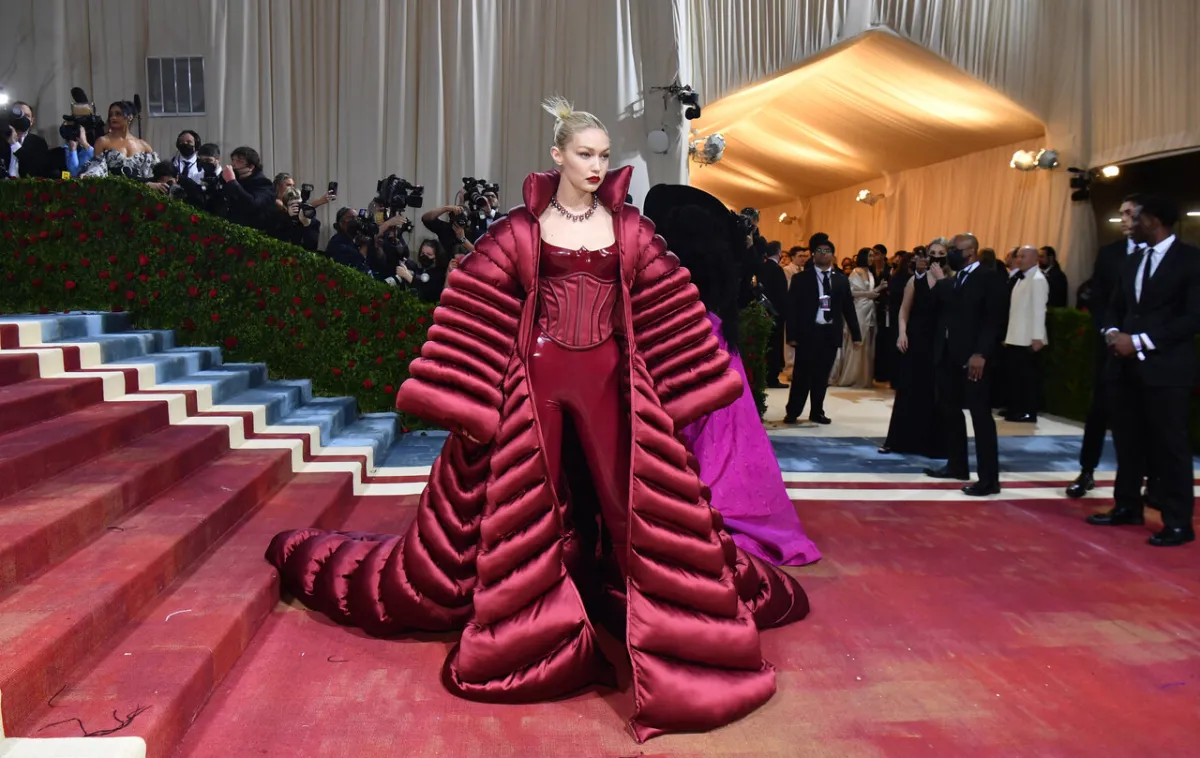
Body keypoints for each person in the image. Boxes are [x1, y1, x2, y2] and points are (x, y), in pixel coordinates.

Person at [266, 96, 808, 741]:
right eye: (585, 154)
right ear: (557, 156)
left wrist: (679, 383)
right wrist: (467, 398)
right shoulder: (519, 230)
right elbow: (474, 297)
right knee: (531, 503)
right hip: (537, 378)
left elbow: (669, 300)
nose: (596, 166)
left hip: (612, 382)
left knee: (633, 502)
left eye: (604, 156)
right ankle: (539, 643)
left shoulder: (630, 228)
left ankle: (665, 636)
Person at [643, 184, 821, 567]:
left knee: (695, 436)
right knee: (725, 436)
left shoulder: (668, 274)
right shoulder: (718, 272)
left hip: (688, 346)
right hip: (716, 342)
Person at [1087, 194, 1200, 547]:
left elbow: (1192, 318)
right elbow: (1113, 307)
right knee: (1127, 440)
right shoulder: (1132, 262)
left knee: (1170, 446)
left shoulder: (1191, 260)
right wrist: (1111, 333)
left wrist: (1139, 342)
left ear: (1154, 220)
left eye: (1136, 218)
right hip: (1124, 369)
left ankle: (1178, 521)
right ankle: (1127, 506)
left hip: (1166, 370)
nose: (1130, 224)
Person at [1067, 210, 1142, 497]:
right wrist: (1109, 334)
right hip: (1109, 347)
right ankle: (1087, 471)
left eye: (1130, 214)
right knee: (1098, 412)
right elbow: (1097, 298)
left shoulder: (1163, 256)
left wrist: (1137, 340)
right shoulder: (1110, 253)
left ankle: (1151, 481)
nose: (1123, 219)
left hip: (1146, 349)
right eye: (1121, 213)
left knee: (1145, 419)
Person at [924, 233, 1005, 496]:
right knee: (949, 409)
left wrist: (981, 353)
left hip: (973, 357)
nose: (949, 254)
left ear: (970, 251)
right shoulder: (956, 278)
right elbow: (943, 307)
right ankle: (957, 464)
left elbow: (993, 320)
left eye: (953, 249)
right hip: (948, 354)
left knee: (980, 416)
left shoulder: (989, 278)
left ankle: (989, 478)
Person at [784, 234, 861, 425]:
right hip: (808, 333)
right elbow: (792, 309)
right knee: (802, 375)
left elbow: (848, 308)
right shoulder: (801, 279)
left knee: (822, 376)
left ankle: (817, 411)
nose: (824, 255)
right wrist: (791, 335)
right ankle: (793, 411)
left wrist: (856, 335)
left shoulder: (841, 280)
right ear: (813, 255)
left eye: (828, 252)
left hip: (830, 333)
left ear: (833, 255)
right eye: (820, 251)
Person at [881, 243, 946, 455]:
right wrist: (902, 333)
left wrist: (943, 281)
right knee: (910, 389)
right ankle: (901, 441)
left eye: (941, 254)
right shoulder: (915, 280)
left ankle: (932, 443)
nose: (936, 258)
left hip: (939, 343)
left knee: (935, 392)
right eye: (932, 254)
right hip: (916, 339)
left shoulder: (953, 280)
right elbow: (904, 311)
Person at [1002, 245, 1049, 423]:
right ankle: (1016, 408)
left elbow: (1039, 310)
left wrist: (1037, 337)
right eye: (1018, 256)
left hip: (1028, 339)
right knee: (1015, 376)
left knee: (1027, 378)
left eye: (1023, 256)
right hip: (1016, 336)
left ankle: (1028, 411)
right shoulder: (1022, 278)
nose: (1019, 259)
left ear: (1034, 259)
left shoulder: (1037, 279)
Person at [831, 248, 881, 388]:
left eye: (873, 256)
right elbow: (851, 292)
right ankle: (851, 376)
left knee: (868, 342)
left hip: (869, 309)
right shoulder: (856, 272)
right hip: (859, 309)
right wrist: (869, 294)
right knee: (858, 339)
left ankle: (863, 376)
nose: (872, 258)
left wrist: (877, 290)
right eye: (870, 256)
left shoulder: (870, 273)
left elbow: (868, 292)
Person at [82, 102, 158, 179]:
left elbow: (156, 171)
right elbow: (96, 168)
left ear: (129, 117)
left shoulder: (143, 145)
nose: (113, 118)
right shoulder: (103, 142)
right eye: (111, 115)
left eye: (118, 114)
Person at [758, 240, 789, 387]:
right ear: (779, 252)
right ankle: (772, 378)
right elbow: (782, 295)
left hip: (761, 311)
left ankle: (762, 376)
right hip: (776, 313)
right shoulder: (777, 270)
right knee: (775, 345)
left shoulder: (761, 267)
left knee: (763, 344)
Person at [4, 101, 51, 179]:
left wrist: (14, 145)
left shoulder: (38, 142)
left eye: (26, 116)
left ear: (32, 121)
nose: (22, 119)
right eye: (18, 115)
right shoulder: (2, 139)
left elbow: (36, 168)